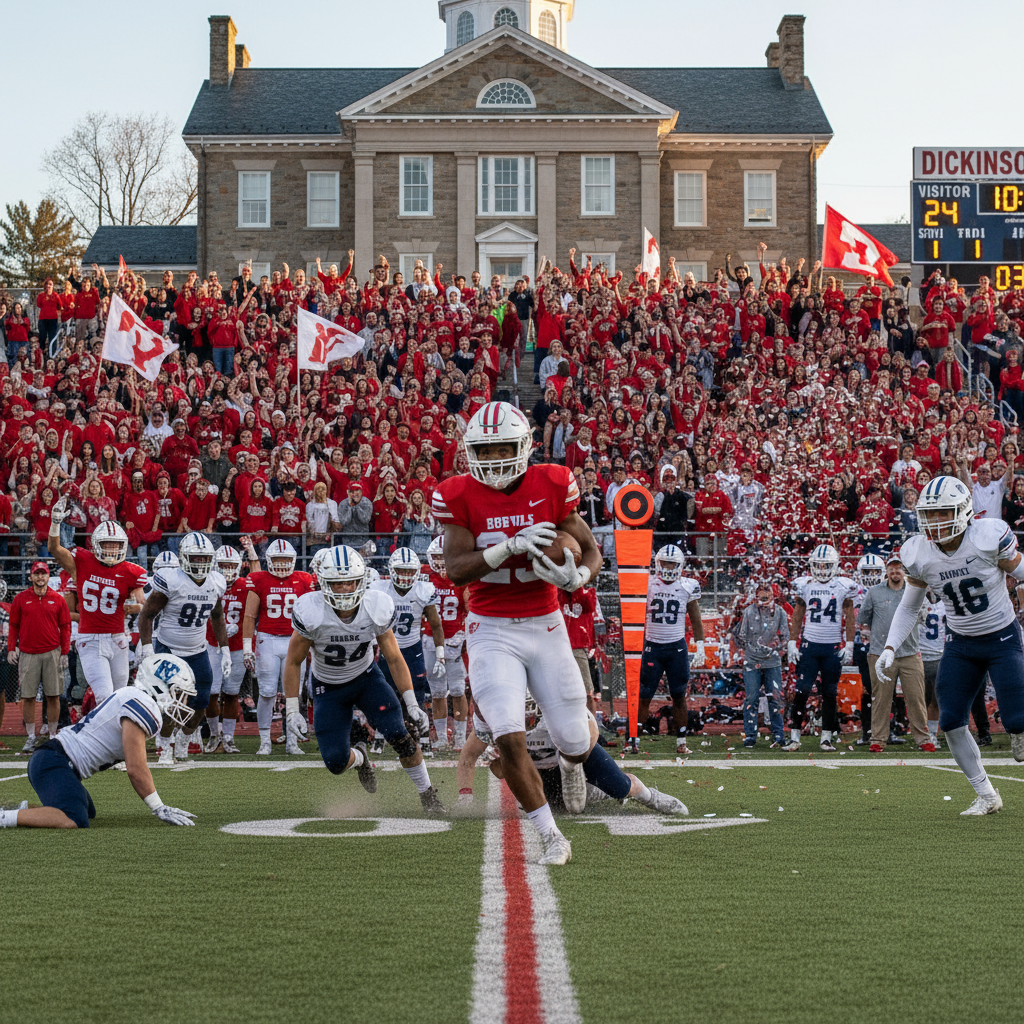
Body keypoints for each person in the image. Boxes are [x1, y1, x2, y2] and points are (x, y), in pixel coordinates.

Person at [435, 401, 682, 867]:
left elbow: (590, 551)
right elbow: (456, 569)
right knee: (508, 734)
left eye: (502, 448)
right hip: (490, 629)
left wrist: (578, 579)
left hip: (546, 625)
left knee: (574, 740)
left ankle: (624, 785)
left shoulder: (550, 483)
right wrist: (507, 547)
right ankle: (548, 834)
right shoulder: (457, 494)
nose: (493, 460)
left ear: (524, 445)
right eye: (483, 451)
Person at [876, 476, 1024, 815]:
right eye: (930, 514)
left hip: (1002, 637)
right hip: (960, 643)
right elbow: (910, 605)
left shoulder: (986, 538)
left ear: (962, 510)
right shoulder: (919, 553)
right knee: (951, 719)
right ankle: (987, 795)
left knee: (1017, 720)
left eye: (943, 513)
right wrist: (889, 647)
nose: (936, 521)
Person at [283, 545, 445, 814]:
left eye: (350, 583)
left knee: (400, 735)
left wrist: (412, 702)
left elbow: (393, 657)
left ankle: (428, 794)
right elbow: (293, 661)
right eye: (337, 584)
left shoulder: (375, 605)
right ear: (324, 583)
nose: (345, 590)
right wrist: (291, 709)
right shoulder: (311, 611)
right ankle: (360, 757)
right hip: (328, 688)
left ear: (362, 582)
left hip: (367, 679)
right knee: (335, 762)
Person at [0, 654, 198, 830]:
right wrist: (158, 807)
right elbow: (136, 768)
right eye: (179, 694)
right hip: (54, 762)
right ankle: (4, 817)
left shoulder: (133, 696)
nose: (184, 702)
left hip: (54, 759)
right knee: (74, 818)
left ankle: (20, 810)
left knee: (86, 811)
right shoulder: (144, 705)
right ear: (160, 687)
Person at [456, 700, 687, 817]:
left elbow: (592, 732)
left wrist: (574, 762)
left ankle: (648, 795)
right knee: (561, 809)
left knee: (619, 787)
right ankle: (591, 791)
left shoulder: (556, 704)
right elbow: (468, 757)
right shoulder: (493, 712)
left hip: (573, 755)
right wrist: (466, 799)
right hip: (538, 768)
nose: (524, 724)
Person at [137, 532, 230, 764]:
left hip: (198, 651)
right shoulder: (173, 580)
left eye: (203, 558)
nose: (200, 563)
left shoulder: (215, 582)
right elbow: (146, 616)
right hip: (170, 648)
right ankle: (165, 745)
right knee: (173, 702)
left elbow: (217, 617)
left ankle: (184, 740)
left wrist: (225, 648)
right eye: (195, 558)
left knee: (202, 701)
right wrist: (148, 648)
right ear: (183, 558)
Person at [48, 502, 147, 702]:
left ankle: (116, 734)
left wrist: (136, 603)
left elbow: (141, 603)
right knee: (103, 695)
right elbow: (54, 548)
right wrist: (55, 524)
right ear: (96, 544)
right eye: (107, 544)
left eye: (116, 545)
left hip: (118, 638)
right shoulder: (82, 561)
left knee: (120, 695)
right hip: (90, 638)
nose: (112, 549)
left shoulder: (130, 571)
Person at [241, 537, 316, 755]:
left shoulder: (303, 579)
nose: (282, 564)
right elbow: (249, 616)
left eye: (285, 560)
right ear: (268, 560)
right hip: (268, 640)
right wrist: (248, 646)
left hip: (295, 640)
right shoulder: (259, 579)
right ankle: (265, 741)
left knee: (294, 693)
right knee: (266, 692)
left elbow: (312, 614)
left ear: (292, 560)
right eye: (277, 560)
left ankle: (292, 741)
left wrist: (313, 644)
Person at [369, 546, 445, 756]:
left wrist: (440, 655)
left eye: (410, 571)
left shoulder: (423, 590)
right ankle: (379, 736)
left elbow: (436, 624)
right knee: (385, 694)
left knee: (419, 696)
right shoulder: (379, 589)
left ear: (417, 572)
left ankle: (424, 739)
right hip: (387, 649)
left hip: (413, 649)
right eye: (401, 570)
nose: (405, 576)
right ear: (392, 570)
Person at [784, 544, 857, 752]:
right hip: (809, 645)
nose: (823, 569)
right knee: (802, 690)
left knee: (830, 693)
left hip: (832, 647)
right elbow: (798, 615)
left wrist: (849, 644)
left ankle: (826, 737)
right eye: (819, 565)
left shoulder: (843, 586)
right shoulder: (805, 584)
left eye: (827, 566)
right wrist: (792, 642)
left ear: (835, 566)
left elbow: (849, 617)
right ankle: (795, 736)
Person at [857, 554, 933, 753]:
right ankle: (878, 739)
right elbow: (863, 617)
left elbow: (924, 617)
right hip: (880, 653)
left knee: (916, 698)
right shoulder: (874, 592)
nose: (895, 572)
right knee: (881, 699)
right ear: (886, 571)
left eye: (898, 568)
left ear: (904, 570)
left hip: (909, 652)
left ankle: (923, 738)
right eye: (891, 568)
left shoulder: (914, 591)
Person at [637, 544, 705, 755]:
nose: (667, 567)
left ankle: (681, 741)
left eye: (672, 563)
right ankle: (634, 739)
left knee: (678, 695)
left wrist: (700, 644)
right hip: (652, 646)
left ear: (680, 565)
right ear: (657, 563)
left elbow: (695, 617)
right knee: (644, 694)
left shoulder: (687, 585)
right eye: (664, 562)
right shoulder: (647, 584)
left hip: (676, 647)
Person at [8, 561, 72, 754]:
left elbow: (66, 626)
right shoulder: (20, 599)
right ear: (31, 577)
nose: (40, 577)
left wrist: (65, 652)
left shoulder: (57, 599)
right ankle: (30, 736)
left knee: (53, 695)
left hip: (52, 651)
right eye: (37, 574)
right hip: (28, 653)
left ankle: (52, 735)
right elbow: (13, 625)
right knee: (27, 696)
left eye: (43, 574)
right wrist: (12, 648)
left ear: (47, 577)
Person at [204, 544, 259, 753]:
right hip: (212, 644)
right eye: (223, 565)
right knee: (210, 692)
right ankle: (213, 733)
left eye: (231, 566)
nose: (227, 570)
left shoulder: (246, 585)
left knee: (231, 693)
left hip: (236, 646)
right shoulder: (208, 583)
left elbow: (255, 610)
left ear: (238, 566)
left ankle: (228, 737)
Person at [421, 536, 469, 754]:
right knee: (437, 692)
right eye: (437, 557)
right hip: (431, 640)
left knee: (459, 690)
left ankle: (460, 738)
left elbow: (471, 608)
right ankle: (441, 737)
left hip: (455, 640)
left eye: (444, 556)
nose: (441, 562)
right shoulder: (424, 578)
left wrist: (465, 634)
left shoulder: (461, 578)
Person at [736, 582, 789, 748]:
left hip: (772, 661)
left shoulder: (779, 612)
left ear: (772, 597)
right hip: (752, 661)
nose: (763, 600)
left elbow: (786, 635)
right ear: (756, 596)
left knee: (775, 697)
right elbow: (742, 635)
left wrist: (777, 646)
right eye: (761, 597)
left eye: (766, 597)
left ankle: (778, 734)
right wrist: (753, 649)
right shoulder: (749, 612)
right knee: (751, 697)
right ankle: (750, 735)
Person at [852, 554, 886, 745]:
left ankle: (889, 729)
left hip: (884, 645)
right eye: (867, 571)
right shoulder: (853, 591)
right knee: (868, 690)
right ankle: (867, 730)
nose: (871, 575)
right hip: (863, 646)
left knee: (887, 690)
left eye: (874, 571)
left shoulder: (888, 590)